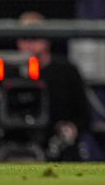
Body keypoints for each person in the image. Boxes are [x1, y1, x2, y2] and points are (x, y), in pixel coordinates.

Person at [16, 12, 91, 161]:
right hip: (21, 148)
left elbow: (85, 116)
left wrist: (72, 128)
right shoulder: (10, 72)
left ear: (46, 40)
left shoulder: (66, 70)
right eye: (24, 38)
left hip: (60, 147)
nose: (29, 44)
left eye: (34, 37)